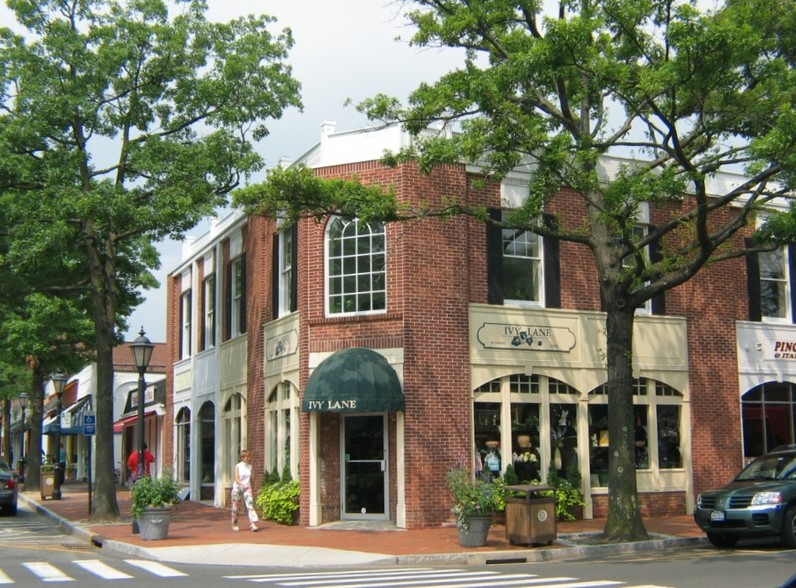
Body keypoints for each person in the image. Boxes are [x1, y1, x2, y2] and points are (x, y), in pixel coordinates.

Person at [231, 449, 259, 532]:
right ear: (242, 458)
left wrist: (250, 487)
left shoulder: (250, 467)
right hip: (238, 488)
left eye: (248, 456)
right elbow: (236, 478)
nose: (248, 458)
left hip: (247, 488)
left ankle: (252, 524)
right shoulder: (238, 466)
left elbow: (250, 478)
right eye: (246, 456)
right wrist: (242, 484)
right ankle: (234, 523)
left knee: (250, 505)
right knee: (236, 507)